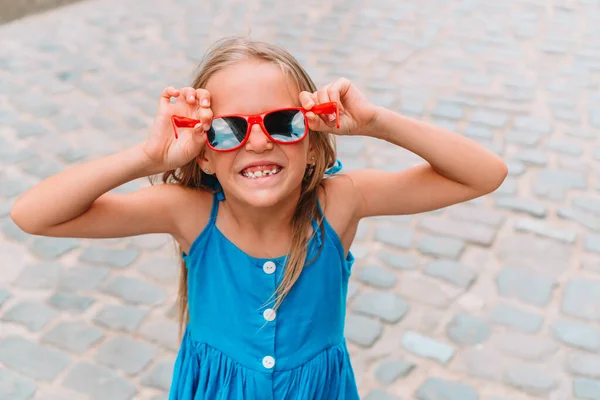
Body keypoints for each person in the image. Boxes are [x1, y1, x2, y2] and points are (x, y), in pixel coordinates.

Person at [10, 36, 508, 399]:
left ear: (312, 144)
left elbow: (483, 175)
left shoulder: (341, 203)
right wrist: (148, 157)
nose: (258, 140)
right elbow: (33, 215)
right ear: (203, 154)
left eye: (282, 122)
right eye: (228, 129)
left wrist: (377, 121)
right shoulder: (188, 213)